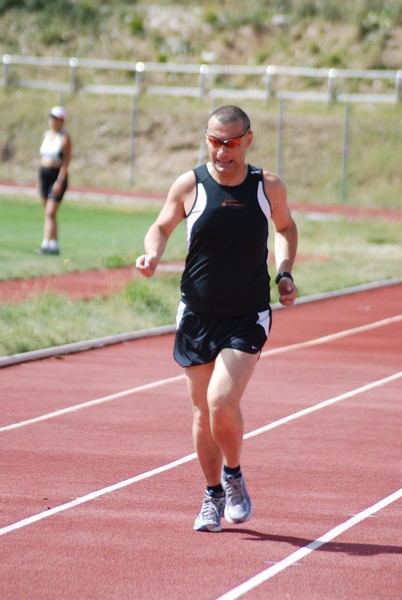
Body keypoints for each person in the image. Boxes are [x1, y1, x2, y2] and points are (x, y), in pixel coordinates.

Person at [136, 105, 298, 532]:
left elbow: (285, 228)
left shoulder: (267, 186)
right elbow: (161, 225)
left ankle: (233, 474)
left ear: (248, 139)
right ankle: (211, 495)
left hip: (247, 315)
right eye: (213, 140)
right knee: (201, 413)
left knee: (221, 402)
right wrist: (152, 253)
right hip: (197, 314)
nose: (221, 151)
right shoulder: (191, 184)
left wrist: (284, 272)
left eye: (230, 142)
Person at [38, 105, 72, 255]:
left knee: (51, 211)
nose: (52, 121)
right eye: (51, 118)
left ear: (61, 121)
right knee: (48, 212)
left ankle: (46, 243)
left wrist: (59, 181)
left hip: (56, 175)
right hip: (44, 174)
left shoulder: (64, 138)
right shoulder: (46, 134)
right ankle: (54, 243)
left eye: (56, 119)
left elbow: (66, 161)